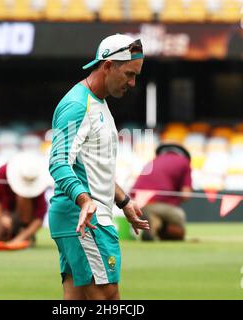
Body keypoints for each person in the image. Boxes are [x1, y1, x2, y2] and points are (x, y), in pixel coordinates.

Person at [48, 34, 150, 300]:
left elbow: (94, 166)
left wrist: (124, 201)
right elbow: (58, 163)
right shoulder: (77, 105)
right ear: (107, 66)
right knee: (108, 296)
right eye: (128, 74)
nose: (132, 83)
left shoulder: (98, 103)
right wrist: (84, 201)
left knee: (77, 300)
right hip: (84, 219)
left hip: (83, 217)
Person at [0, 152, 52, 245]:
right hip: (5, 213)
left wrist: (20, 238)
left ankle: (23, 232)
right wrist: (2, 217)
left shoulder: (38, 180)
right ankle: (11, 234)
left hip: (27, 218)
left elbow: (39, 219)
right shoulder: (2, 172)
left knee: (23, 199)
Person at [132, 143, 192, 241]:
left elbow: (133, 191)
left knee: (153, 213)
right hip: (162, 206)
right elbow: (186, 194)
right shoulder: (184, 162)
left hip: (138, 208)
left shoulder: (151, 162)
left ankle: (155, 222)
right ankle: (157, 224)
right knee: (178, 228)